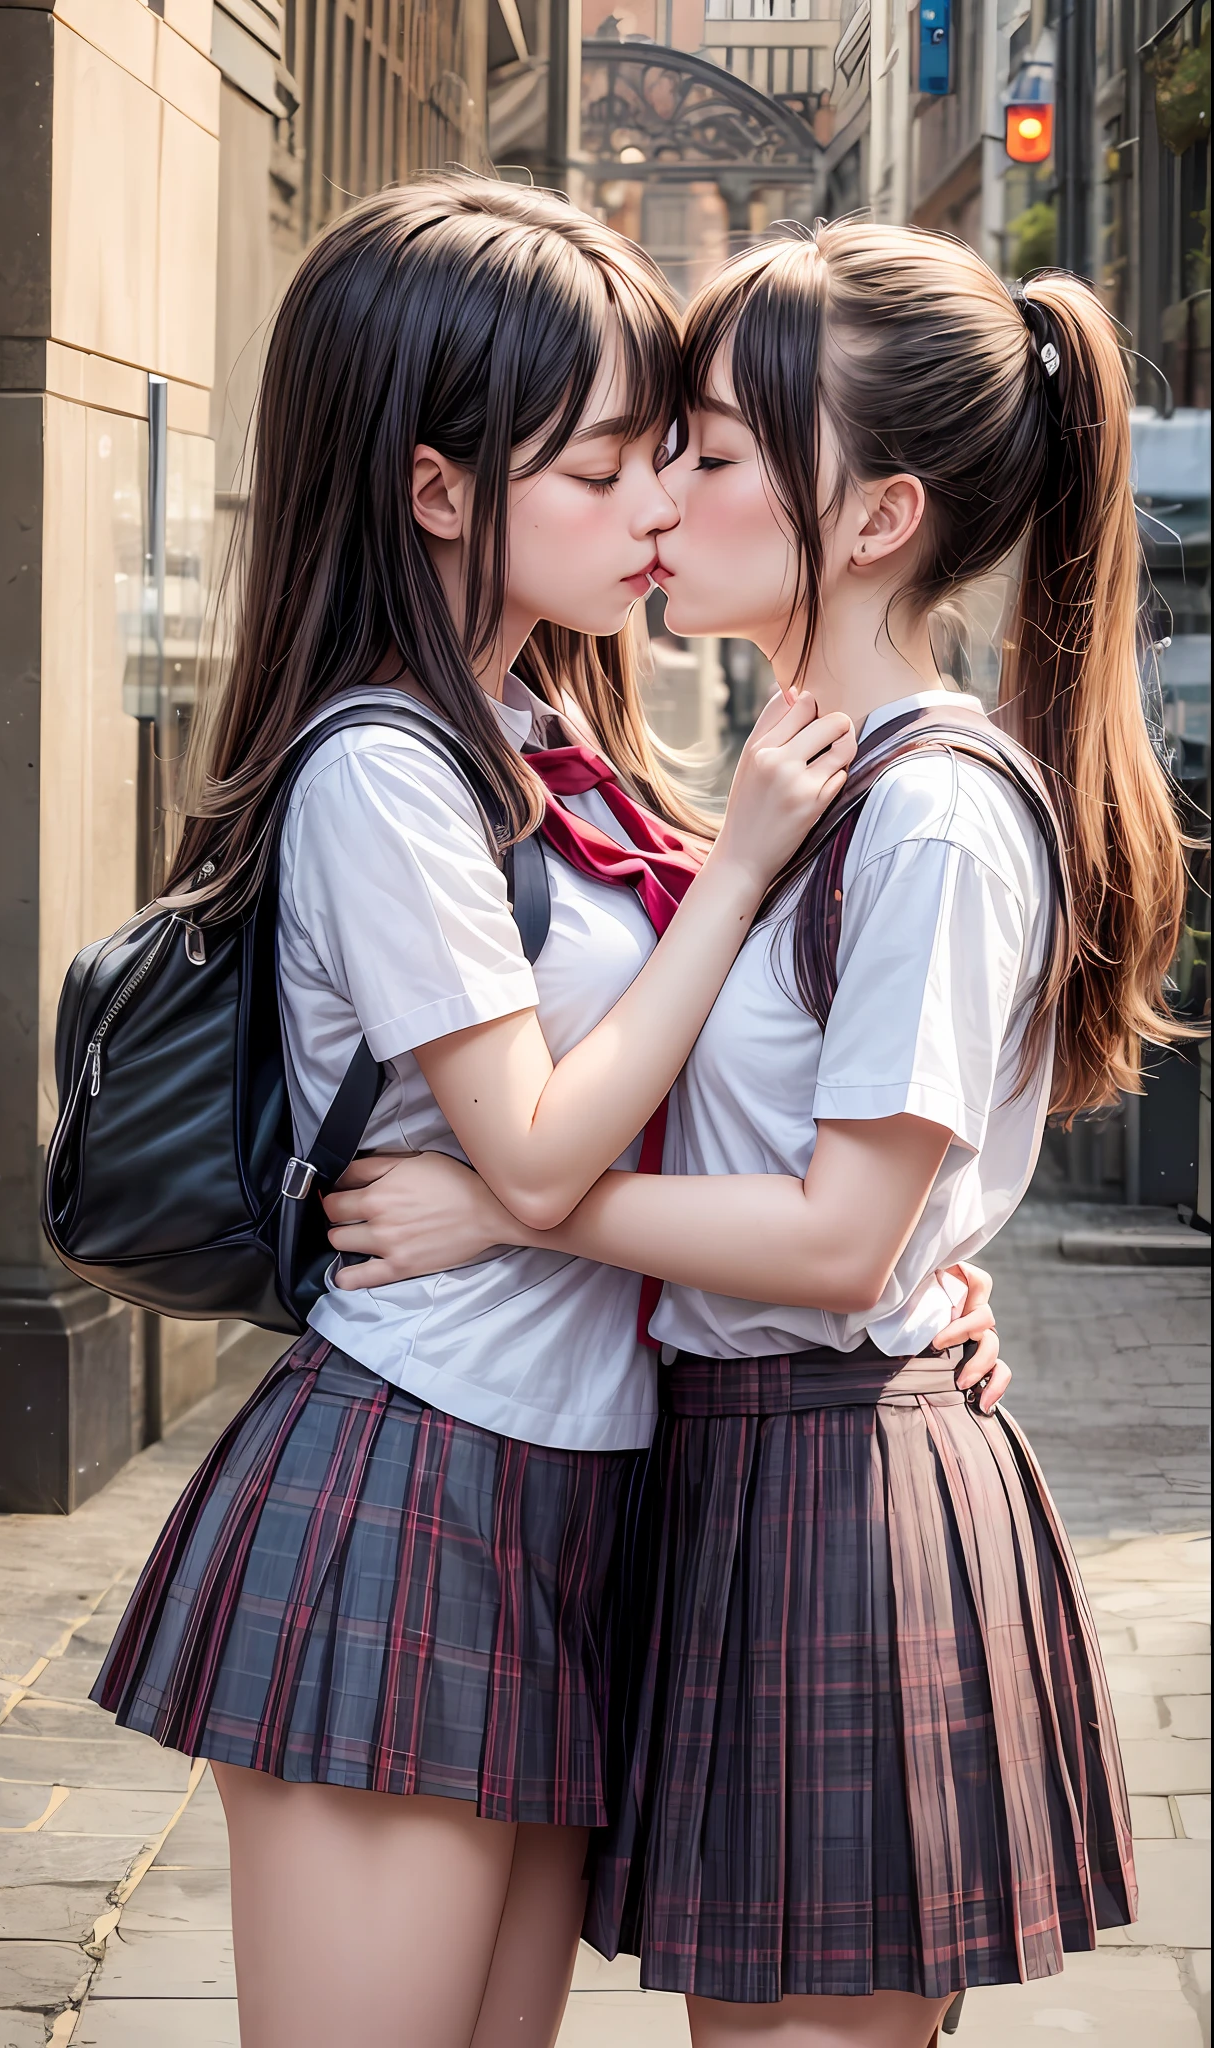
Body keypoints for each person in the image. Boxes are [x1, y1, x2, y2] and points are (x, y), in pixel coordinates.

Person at [322, 224, 1193, 2047]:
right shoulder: (799, 790)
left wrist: (512, 1206)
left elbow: (833, 1245)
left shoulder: (931, 816)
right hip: (741, 1470)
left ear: (869, 518)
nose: (661, 493)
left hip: (833, 1492)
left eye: (706, 450)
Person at [89, 176, 900, 2048]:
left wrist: (899, 1264)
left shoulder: (549, 738)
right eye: (608, 468)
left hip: (571, 1486)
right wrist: (744, 862)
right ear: (440, 489)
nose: (661, 508)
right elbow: (535, 1142)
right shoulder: (384, 766)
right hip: (412, 1477)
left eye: (667, 462)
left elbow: (653, 1120)